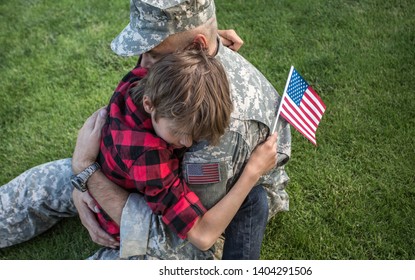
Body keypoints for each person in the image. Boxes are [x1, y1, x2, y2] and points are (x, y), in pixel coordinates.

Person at [0, 0, 291, 260]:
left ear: (197, 47)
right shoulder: (178, 67)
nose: (143, 63)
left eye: (154, 51)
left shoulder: (219, 127)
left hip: (196, 220)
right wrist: (82, 178)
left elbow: (187, 238)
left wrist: (87, 173)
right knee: (35, 189)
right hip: (137, 178)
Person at [93, 44, 277, 253]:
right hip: (125, 223)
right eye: (178, 132)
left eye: (194, 135)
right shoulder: (149, 156)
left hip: (118, 179)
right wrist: (252, 172)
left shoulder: (141, 79)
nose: (188, 144)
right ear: (149, 104)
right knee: (246, 202)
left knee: (255, 199)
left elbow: (183, 63)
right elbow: (202, 237)